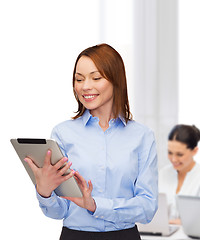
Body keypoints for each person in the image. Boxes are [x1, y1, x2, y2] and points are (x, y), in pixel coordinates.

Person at [24, 43, 158, 240]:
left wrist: (95, 205)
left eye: (96, 78)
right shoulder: (63, 133)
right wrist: (45, 192)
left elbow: (147, 207)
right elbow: (59, 211)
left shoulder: (142, 136)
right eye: (79, 79)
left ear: (116, 80)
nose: (85, 86)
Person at [159, 124, 200, 225]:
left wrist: (182, 222)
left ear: (194, 151)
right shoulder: (163, 173)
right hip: (162, 233)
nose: (173, 159)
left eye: (179, 154)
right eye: (170, 153)